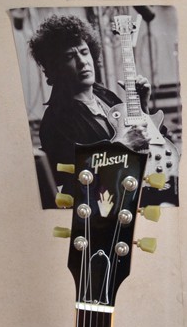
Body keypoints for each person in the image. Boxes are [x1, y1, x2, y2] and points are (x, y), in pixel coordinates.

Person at [29, 13, 157, 204]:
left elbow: (147, 142)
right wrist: (123, 146)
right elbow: (78, 182)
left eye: (84, 52)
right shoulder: (55, 121)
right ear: (55, 67)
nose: (82, 62)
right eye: (70, 56)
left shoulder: (106, 96)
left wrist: (142, 107)